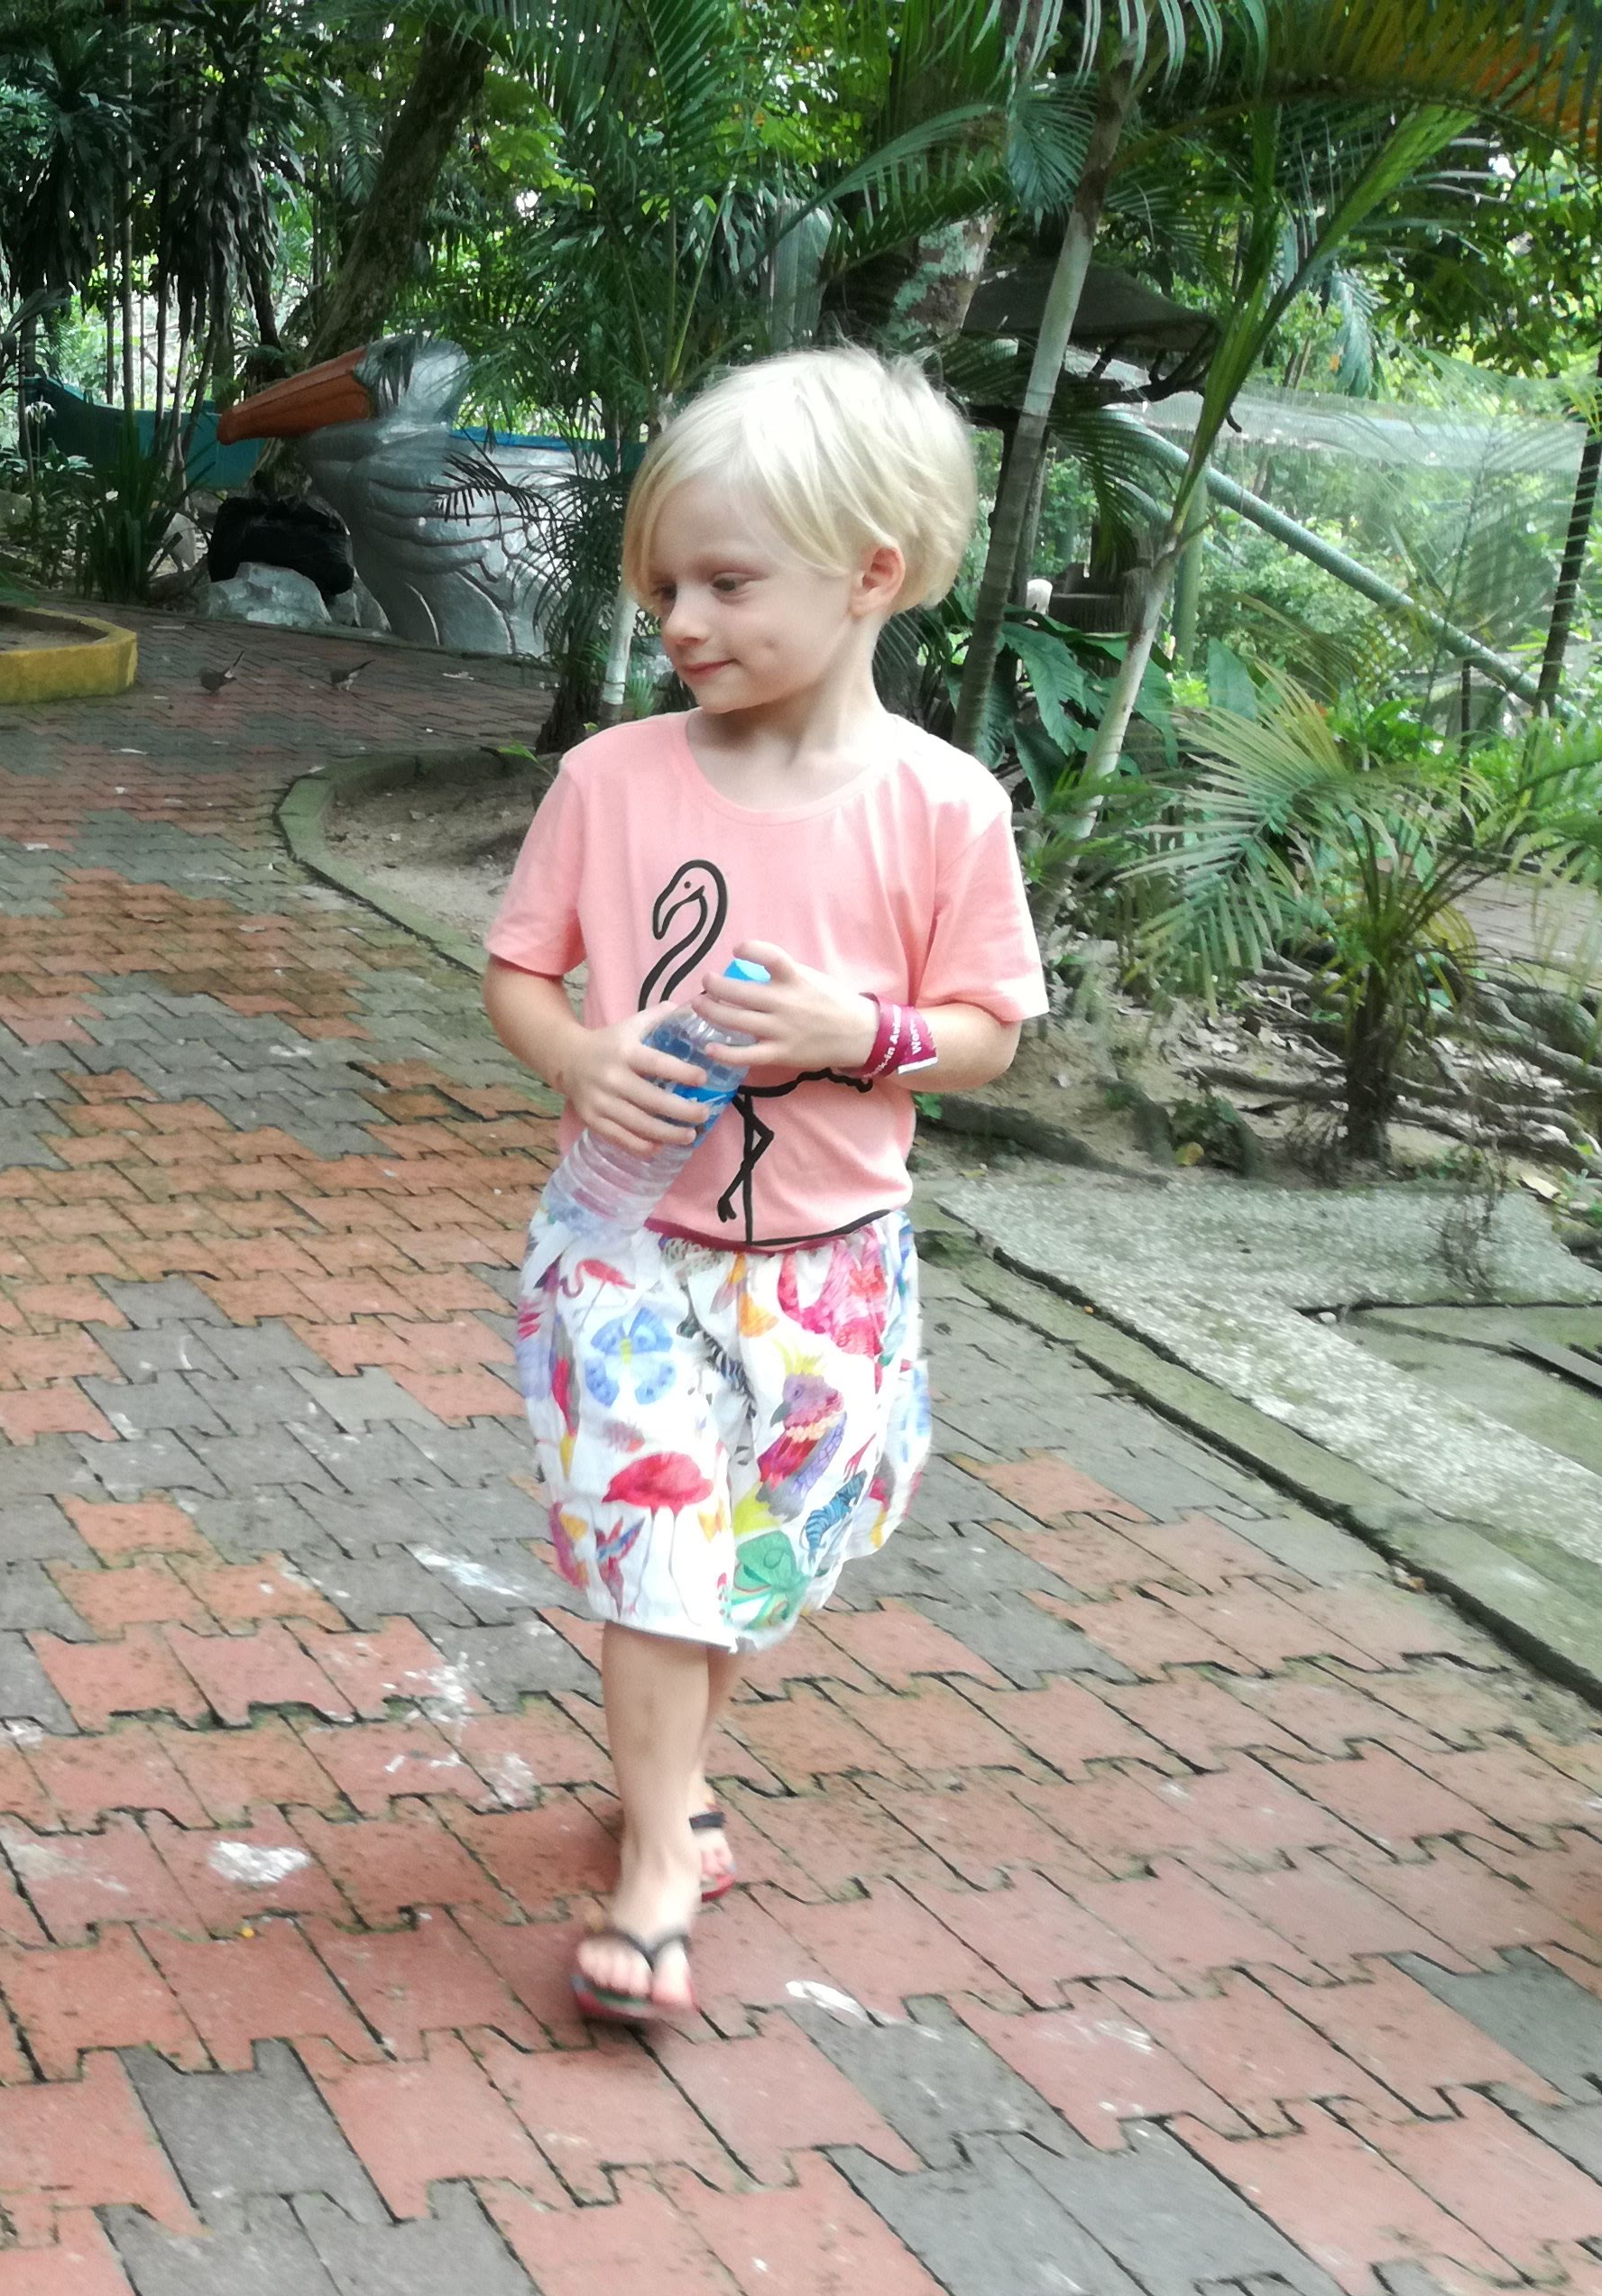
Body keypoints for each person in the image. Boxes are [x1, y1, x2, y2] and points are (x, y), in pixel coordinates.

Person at [479, 346, 1041, 2031]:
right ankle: (660, 1862)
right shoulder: (614, 779)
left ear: (872, 574)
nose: (684, 623)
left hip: (829, 1270)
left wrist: (853, 1030)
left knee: (741, 1556)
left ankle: (675, 1779)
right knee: (654, 1531)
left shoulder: (945, 807)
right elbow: (517, 973)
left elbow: (989, 1036)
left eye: (728, 581)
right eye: (666, 588)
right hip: (623, 1246)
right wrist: (579, 1057)